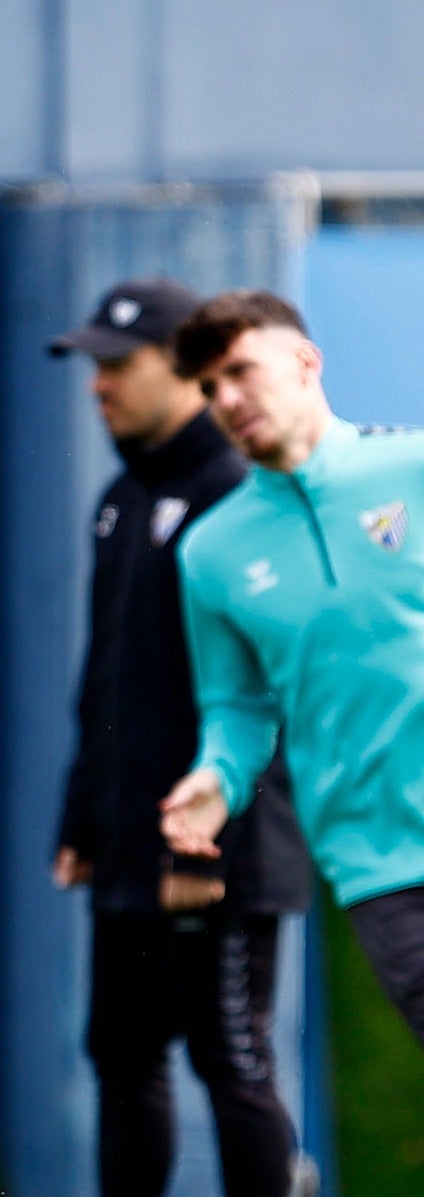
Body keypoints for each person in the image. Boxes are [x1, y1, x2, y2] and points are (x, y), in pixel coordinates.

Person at [0, 281, 311, 1197]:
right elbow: (110, 680)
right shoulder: (124, 497)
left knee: (230, 1056)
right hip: (128, 838)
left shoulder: (240, 499)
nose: (100, 388)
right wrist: (84, 817)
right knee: (120, 1052)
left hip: (220, 842)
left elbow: (257, 692)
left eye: (117, 366)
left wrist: (208, 839)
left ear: (187, 368)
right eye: (91, 368)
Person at [163, 291, 424, 1062]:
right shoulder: (211, 552)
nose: (228, 401)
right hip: (375, 860)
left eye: (241, 371)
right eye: (209, 389)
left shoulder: (412, 466)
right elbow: (237, 709)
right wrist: (215, 781)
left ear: (306, 362)